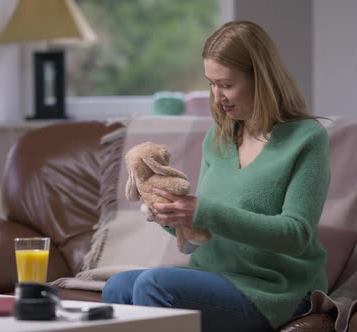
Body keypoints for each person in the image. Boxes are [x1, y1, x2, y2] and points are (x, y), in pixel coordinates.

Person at [102, 20, 331, 332]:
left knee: (154, 285)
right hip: (214, 275)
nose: (217, 96)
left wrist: (201, 210)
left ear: (261, 79)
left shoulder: (306, 138)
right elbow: (203, 231)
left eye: (226, 84)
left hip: (273, 289)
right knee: (117, 287)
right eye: (211, 83)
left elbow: (296, 234)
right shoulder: (219, 137)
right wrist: (173, 217)